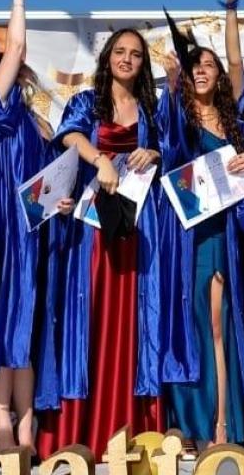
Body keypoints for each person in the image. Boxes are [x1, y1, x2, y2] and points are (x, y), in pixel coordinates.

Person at [34, 28, 173, 456]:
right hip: (92, 228)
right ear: (108, 57)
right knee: (90, 313)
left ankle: (131, 428)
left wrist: (154, 153)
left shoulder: (152, 108)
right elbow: (68, 136)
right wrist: (100, 161)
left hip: (138, 226)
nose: (127, 59)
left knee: (136, 320)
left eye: (135, 54)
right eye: (120, 52)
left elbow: (171, 150)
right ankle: (82, 431)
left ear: (143, 64)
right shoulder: (86, 101)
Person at [161, 0, 244, 452]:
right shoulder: (177, 119)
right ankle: (190, 423)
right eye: (193, 66)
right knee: (190, 324)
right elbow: (166, 153)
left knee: (219, 325)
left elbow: (239, 62)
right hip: (185, 237)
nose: (201, 71)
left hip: (221, 235)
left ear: (219, 76)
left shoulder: (236, 123)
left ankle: (221, 426)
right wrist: (170, 85)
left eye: (208, 65)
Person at [0, 0, 48, 452]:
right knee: (5, 326)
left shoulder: (32, 119)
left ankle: (27, 422)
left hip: (33, 229)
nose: (16, 59)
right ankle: (1, 420)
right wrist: (18, 1)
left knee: (25, 326)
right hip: (3, 228)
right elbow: (17, 45)